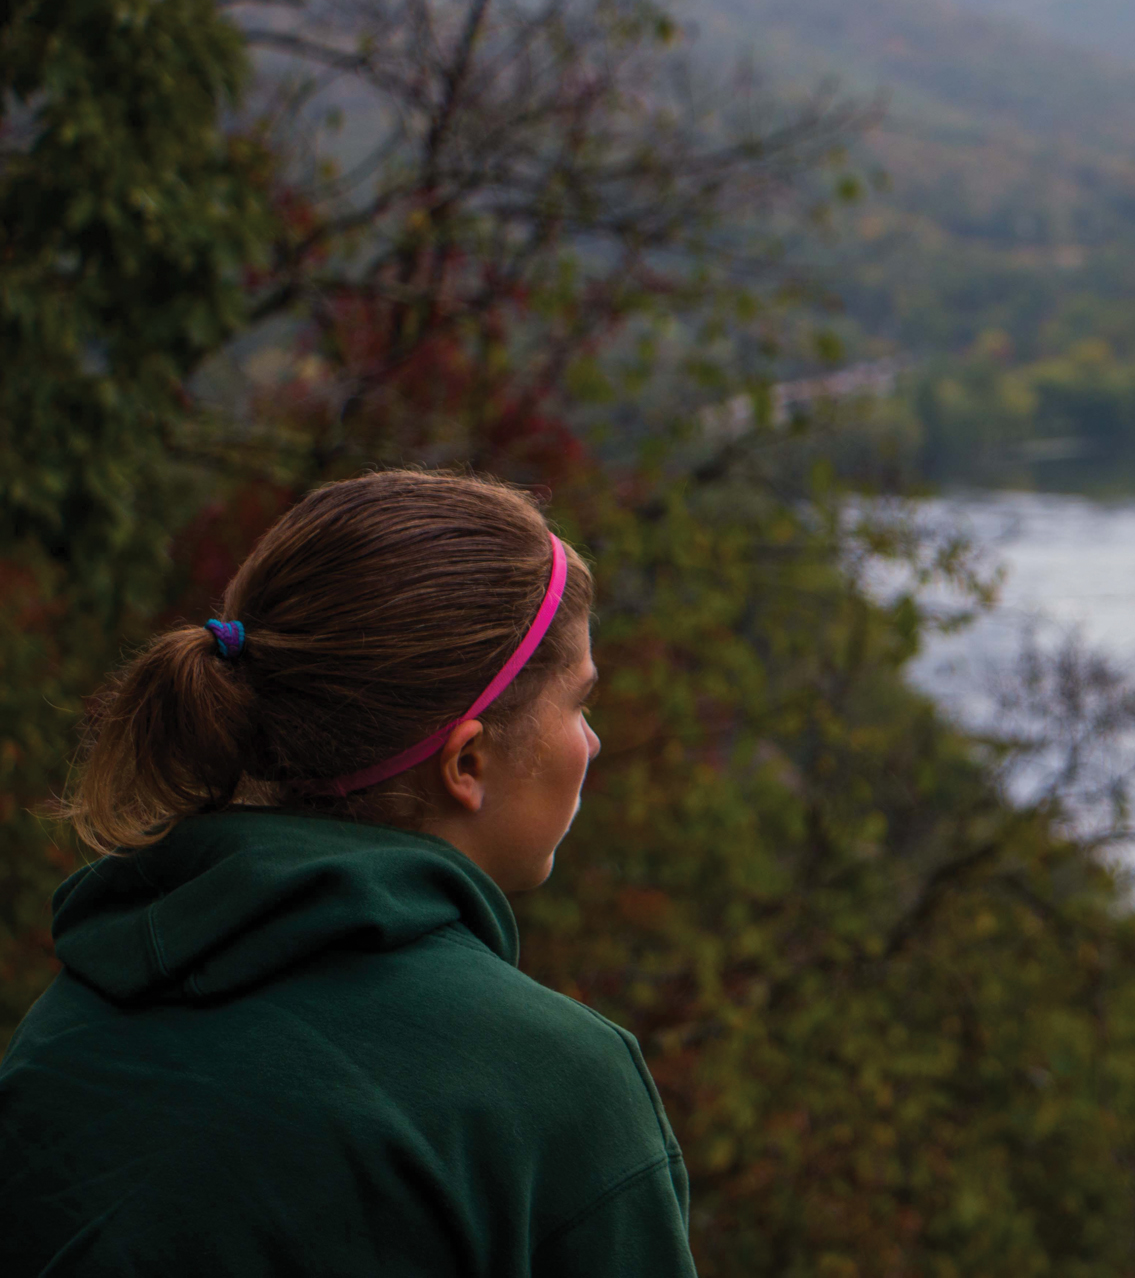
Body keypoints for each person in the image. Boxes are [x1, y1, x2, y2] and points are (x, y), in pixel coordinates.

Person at [0, 470, 699, 1277]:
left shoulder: (64, 1036)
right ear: (468, 760)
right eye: (579, 703)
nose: (594, 744)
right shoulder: (556, 1092)